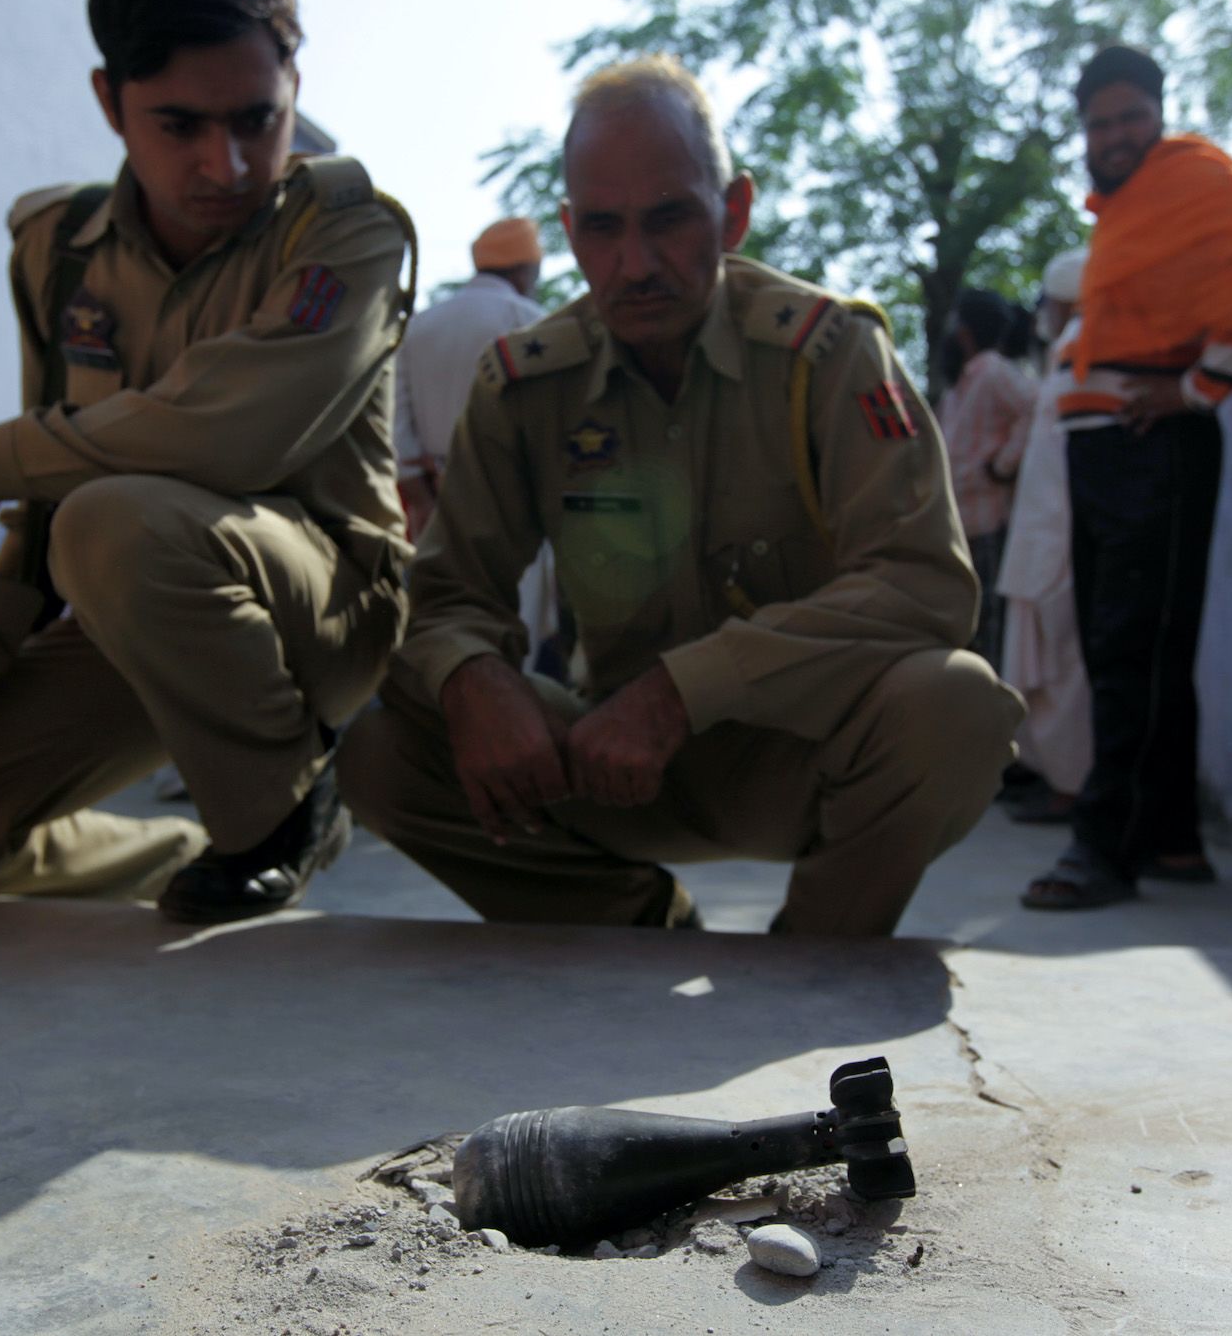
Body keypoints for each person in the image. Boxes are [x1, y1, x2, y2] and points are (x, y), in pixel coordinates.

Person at [338, 56, 1023, 937]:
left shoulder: (829, 356)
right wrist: (474, 678)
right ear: (570, 233)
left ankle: (815, 956)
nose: (636, 264)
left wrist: (679, 692)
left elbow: (925, 586)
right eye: (602, 229)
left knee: (955, 705)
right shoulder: (524, 384)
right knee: (384, 752)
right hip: (610, 765)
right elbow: (445, 595)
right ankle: (634, 931)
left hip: (811, 759)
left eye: (669, 220)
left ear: (732, 212)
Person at [0, 0, 413, 922]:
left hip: (324, 609)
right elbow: (52, 485)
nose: (223, 165)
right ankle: (187, 846)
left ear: (294, 88)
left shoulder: (348, 233)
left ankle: (283, 804)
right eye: (179, 124)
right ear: (110, 101)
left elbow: (231, 438)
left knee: (115, 519)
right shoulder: (57, 248)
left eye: (256, 120)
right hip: (137, 601)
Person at [1021, 46, 1232, 910]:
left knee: (1132, 651)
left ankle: (1103, 850)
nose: (1115, 135)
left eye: (1130, 116)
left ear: (1159, 115)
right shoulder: (1123, 212)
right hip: (1103, 450)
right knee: (1133, 647)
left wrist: (1197, 389)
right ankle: (1173, 840)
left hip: (1150, 447)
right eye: (1099, 123)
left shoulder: (1191, 176)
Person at [394, 218, 562, 668]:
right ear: (526, 270)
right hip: (516, 507)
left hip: (435, 503)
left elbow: (397, 429)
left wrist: (422, 500)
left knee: (436, 628)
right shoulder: (533, 326)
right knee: (514, 637)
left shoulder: (419, 327)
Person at [996, 249, 1092, 825]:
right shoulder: (1064, 351)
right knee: (1046, 666)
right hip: (1041, 535)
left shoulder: (1085, 343)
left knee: (1064, 669)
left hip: (1059, 534)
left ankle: (1073, 785)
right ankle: (1057, 777)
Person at [935, 288, 1037, 668]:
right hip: (960, 526)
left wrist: (1002, 466)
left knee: (990, 625)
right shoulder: (962, 382)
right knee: (966, 625)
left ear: (964, 330)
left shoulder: (994, 371)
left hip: (990, 521)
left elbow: (1035, 409)